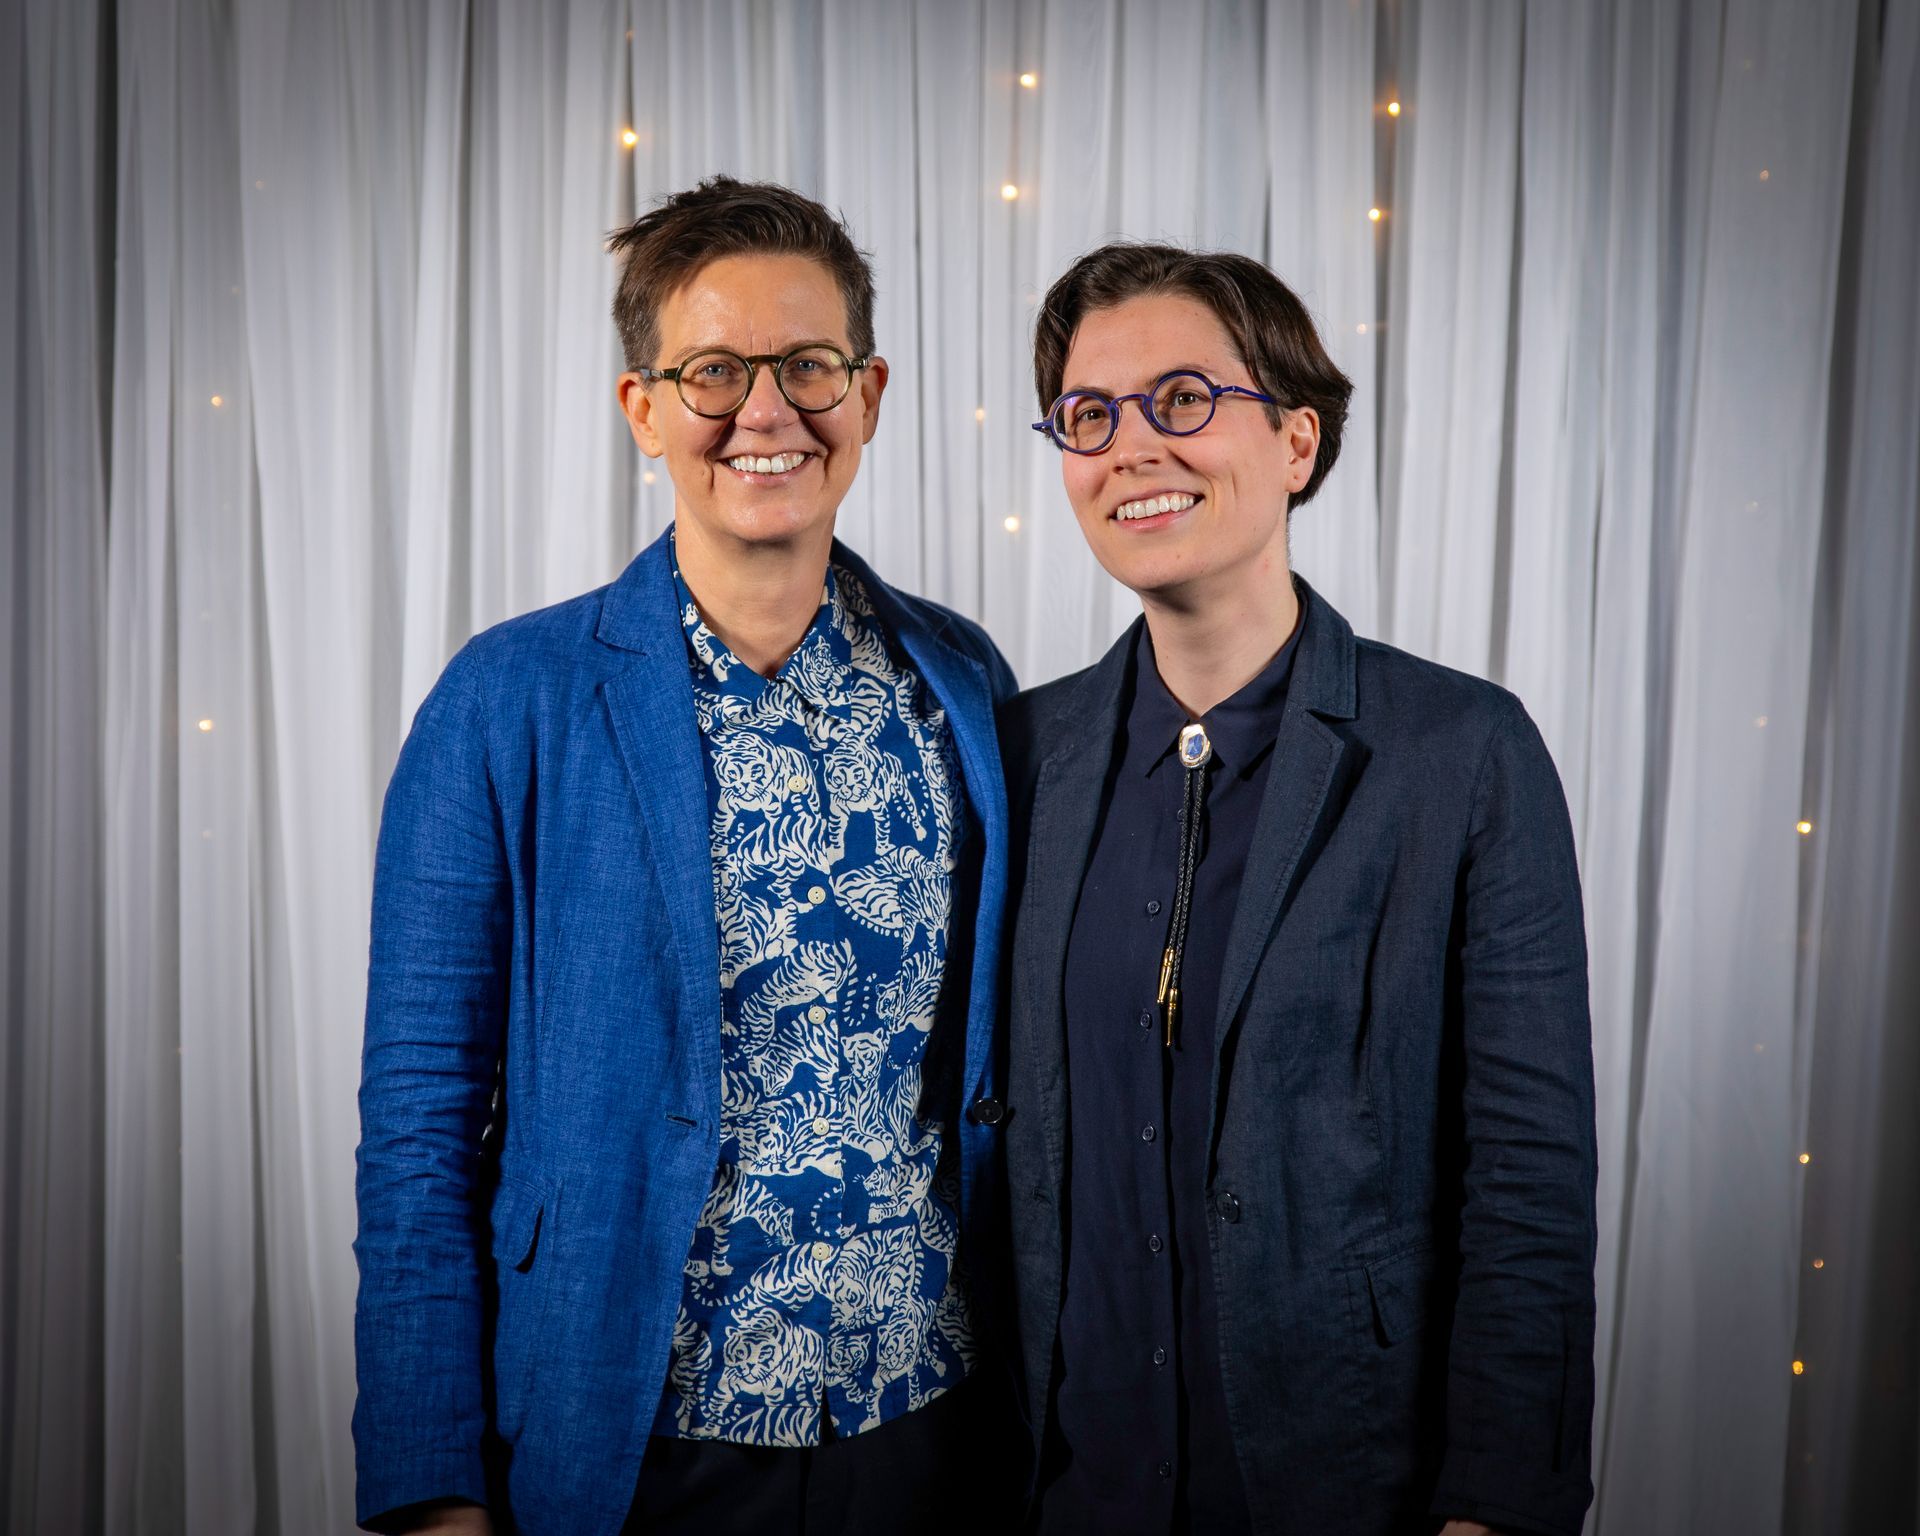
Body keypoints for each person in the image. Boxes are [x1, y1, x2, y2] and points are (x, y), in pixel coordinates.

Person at [353, 177, 1019, 1536]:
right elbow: (419, 1125)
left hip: (928, 1430)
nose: (765, 411)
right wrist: (429, 1489)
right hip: (636, 1439)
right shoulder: (508, 700)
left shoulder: (967, 683)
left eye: (808, 366)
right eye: (715, 371)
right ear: (644, 407)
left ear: (871, 392)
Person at [997, 242, 1597, 1536]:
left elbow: (1528, 1189)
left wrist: (1494, 1509)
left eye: (1185, 399)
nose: (1132, 446)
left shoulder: (1463, 755)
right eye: (1090, 416)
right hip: (1070, 1500)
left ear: (1298, 445)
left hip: (1351, 1493)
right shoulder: (1017, 755)